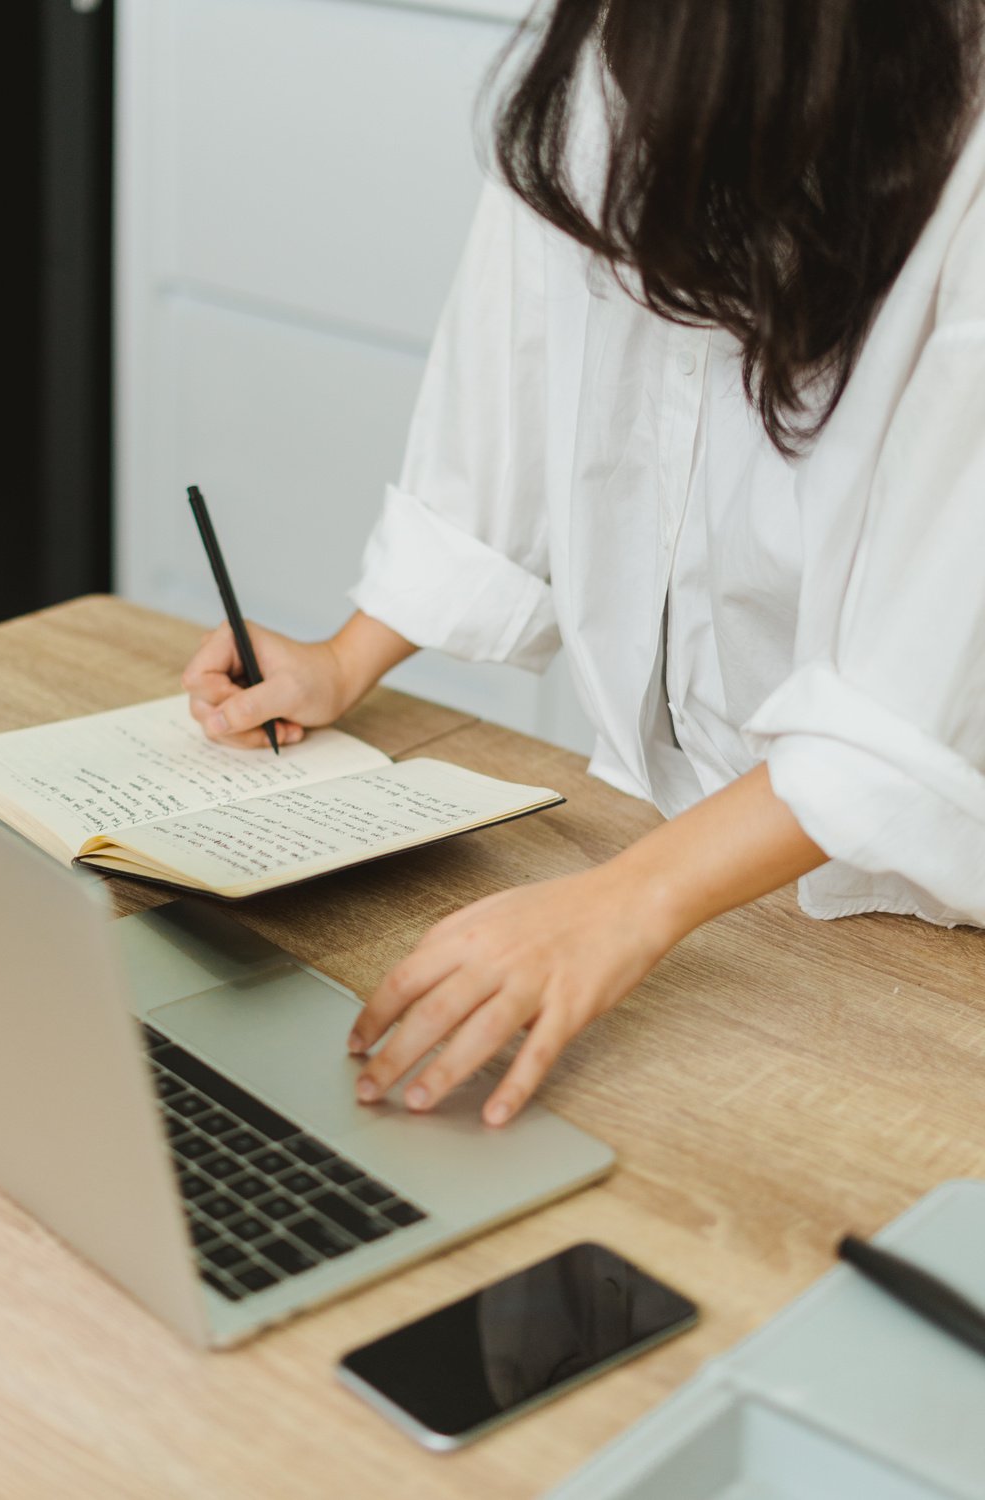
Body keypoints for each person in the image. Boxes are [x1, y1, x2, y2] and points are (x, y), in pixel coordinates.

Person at [182, 0, 985, 1128]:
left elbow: (908, 710)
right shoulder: (625, 45)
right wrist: (345, 658)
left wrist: (627, 903)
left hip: (930, 921)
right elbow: (511, 373)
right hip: (673, 846)